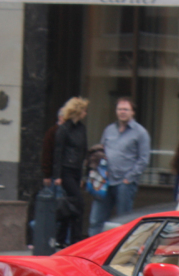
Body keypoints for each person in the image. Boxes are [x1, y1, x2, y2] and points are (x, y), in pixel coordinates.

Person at [89, 96, 150, 235]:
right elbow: (101, 151)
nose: (122, 112)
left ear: (133, 112)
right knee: (96, 220)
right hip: (105, 181)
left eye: (126, 109)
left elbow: (144, 159)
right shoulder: (109, 130)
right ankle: (93, 252)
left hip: (124, 183)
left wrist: (129, 178)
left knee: (123, 221)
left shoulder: (141, 133)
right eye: (119, 109)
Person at [50, 97, 89, 247]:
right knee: (78, 203)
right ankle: (75, 238)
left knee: (71, 205)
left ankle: (62, 238)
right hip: (66, 170)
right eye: (84, 110)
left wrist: (81, 175)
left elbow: (82, 151)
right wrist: (57, 175)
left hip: (75, 170)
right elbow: (58, 152)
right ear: (78, 111)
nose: (85, 113)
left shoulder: (81, 128)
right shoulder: (64, 129)